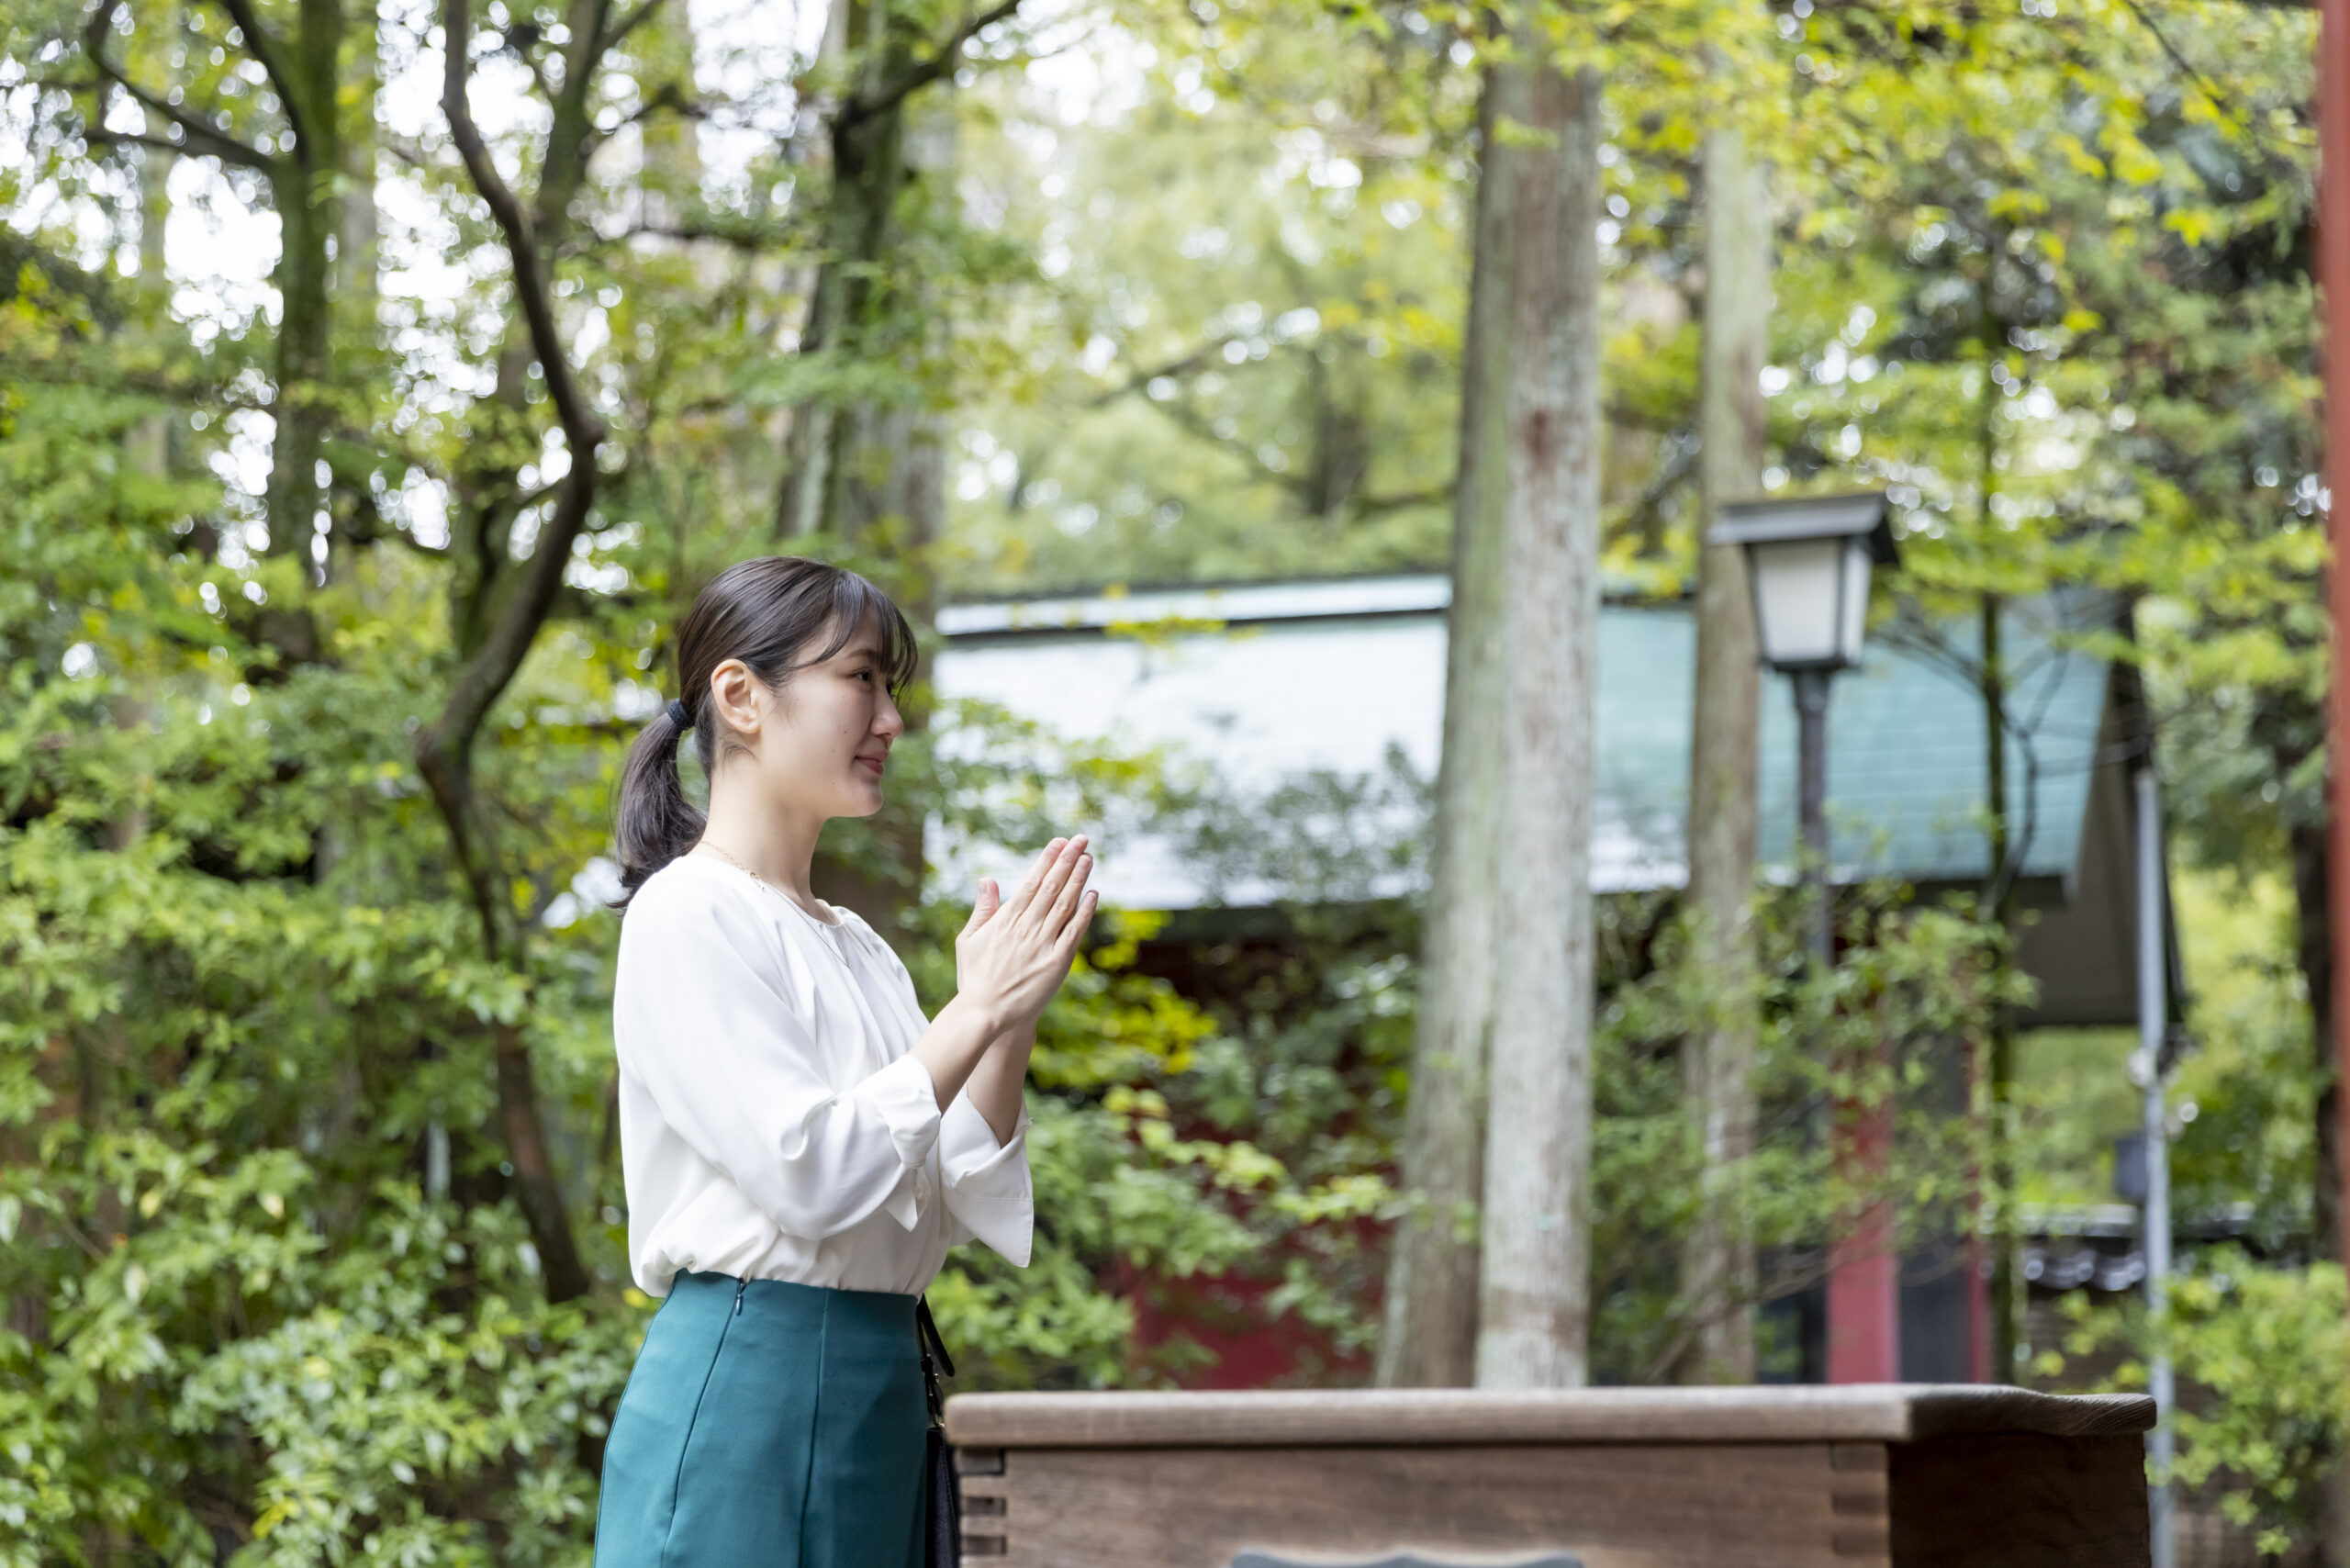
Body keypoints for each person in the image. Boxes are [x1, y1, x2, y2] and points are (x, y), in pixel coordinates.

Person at [593, 555, 1095, 1565]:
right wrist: (974, 1005)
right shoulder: (685, 913)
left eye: (889, 687)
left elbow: (950, 1197)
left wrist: (1009, 1017)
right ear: (741, 696)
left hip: (878, 1392)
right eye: (861, 678)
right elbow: (812, 1174)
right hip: (751, 1391)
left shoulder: (856, 945)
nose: (889, 719)